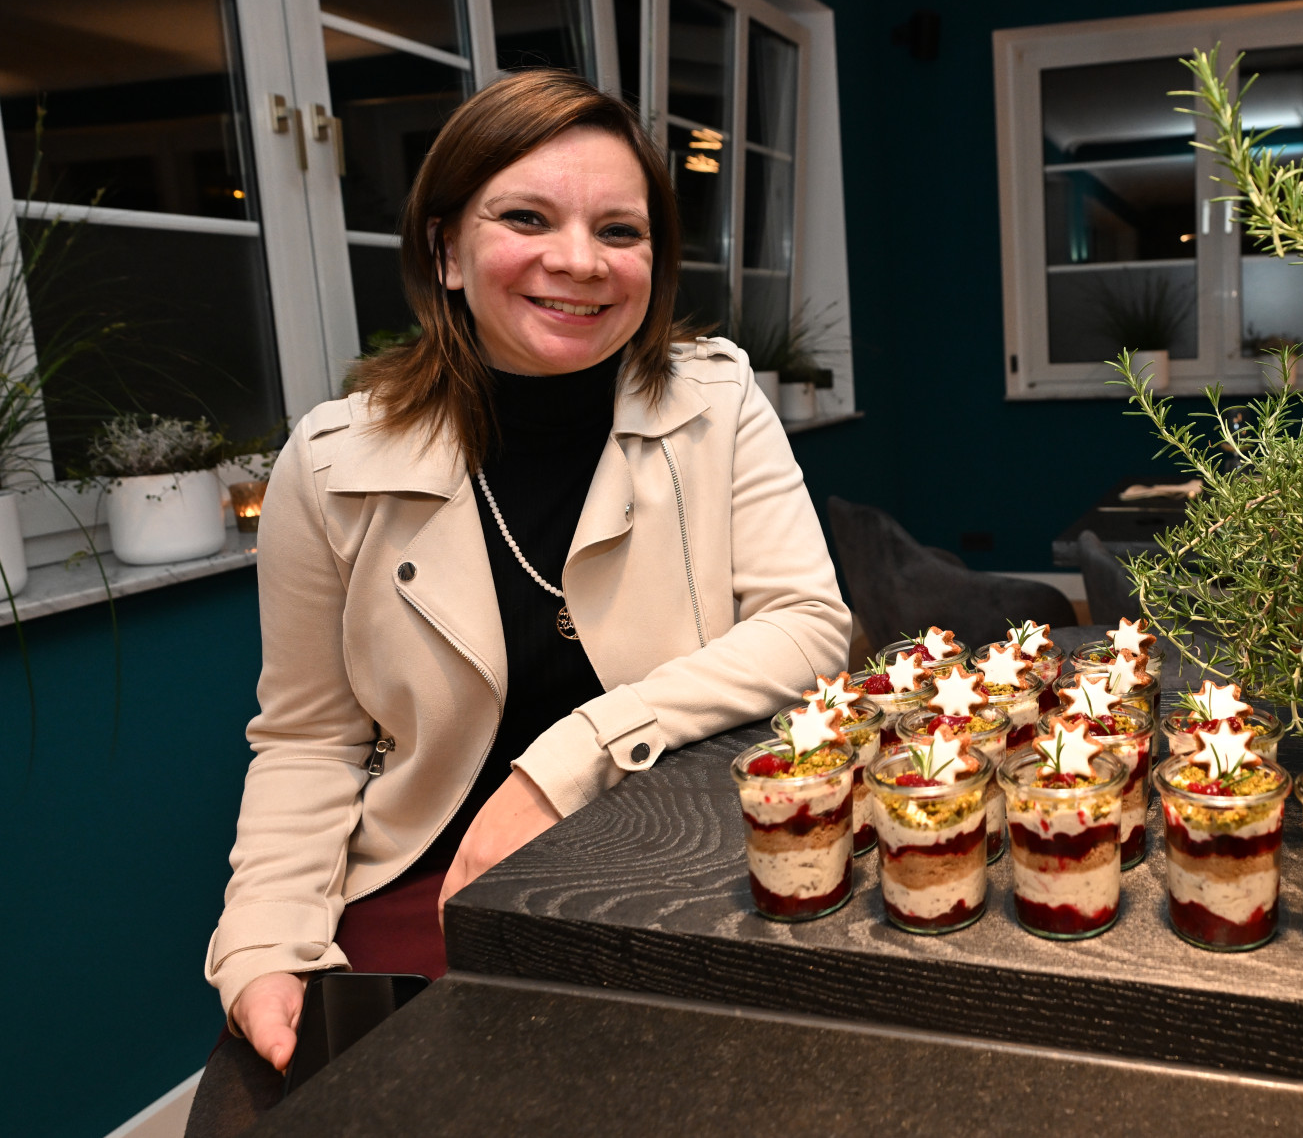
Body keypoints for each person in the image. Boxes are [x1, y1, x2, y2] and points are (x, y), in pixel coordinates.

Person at [204, 70, 849, 1075]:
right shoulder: (329, 462)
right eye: (526, 217)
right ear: (445, 249)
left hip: (685, 857)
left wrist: (562, 765)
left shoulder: (718, 401)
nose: (579, 262)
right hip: (430, 882)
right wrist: (262, 942)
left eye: (620, 232)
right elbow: (307, 740)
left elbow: (807, 625)